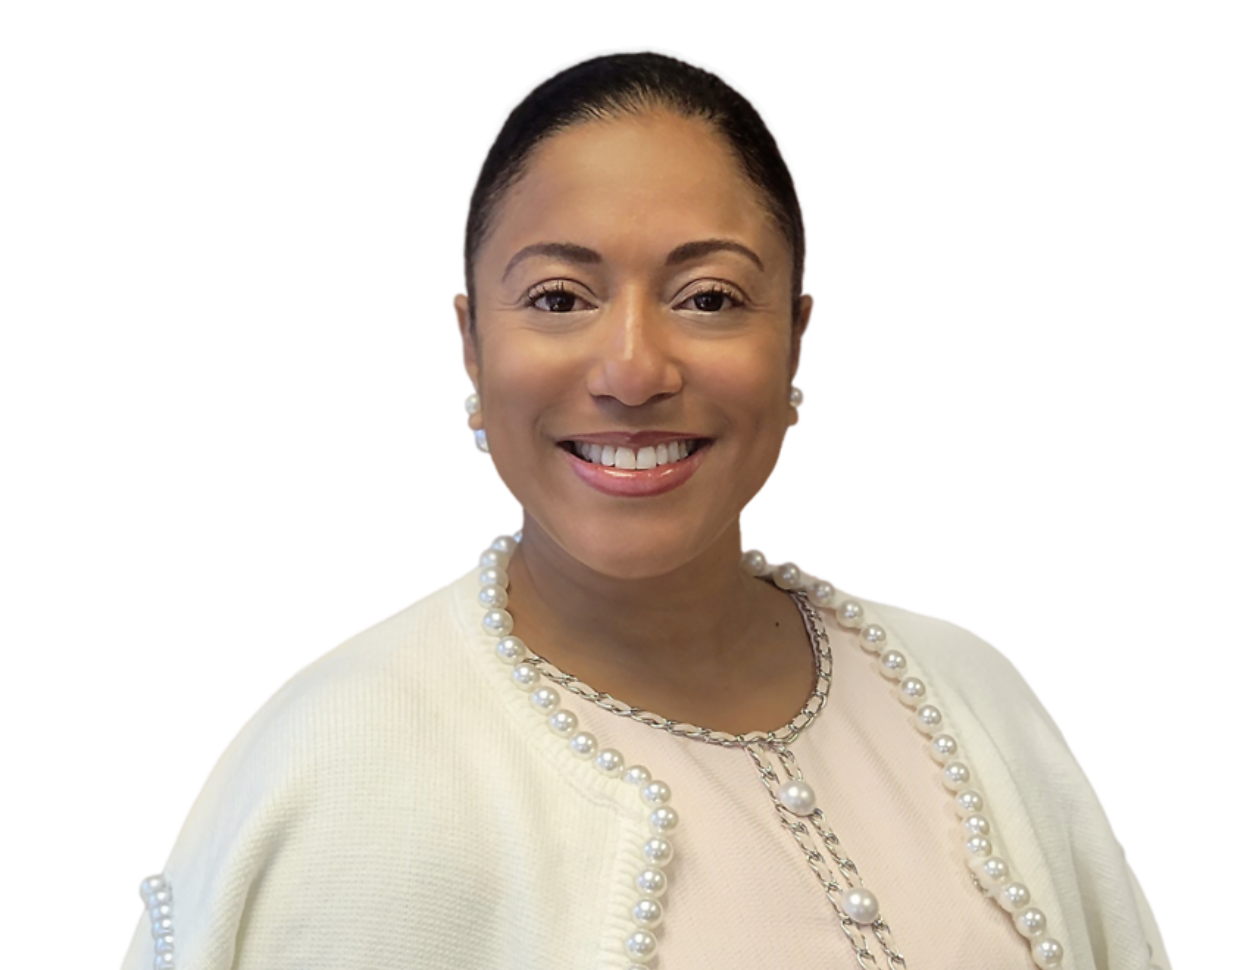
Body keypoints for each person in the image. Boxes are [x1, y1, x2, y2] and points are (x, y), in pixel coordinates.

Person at [121, 46, 1169, 969]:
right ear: (469, 342)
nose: (631, 369)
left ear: (795, 339)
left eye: (707, 297)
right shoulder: (341, 761)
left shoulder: (970, 690)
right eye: (558, 300)